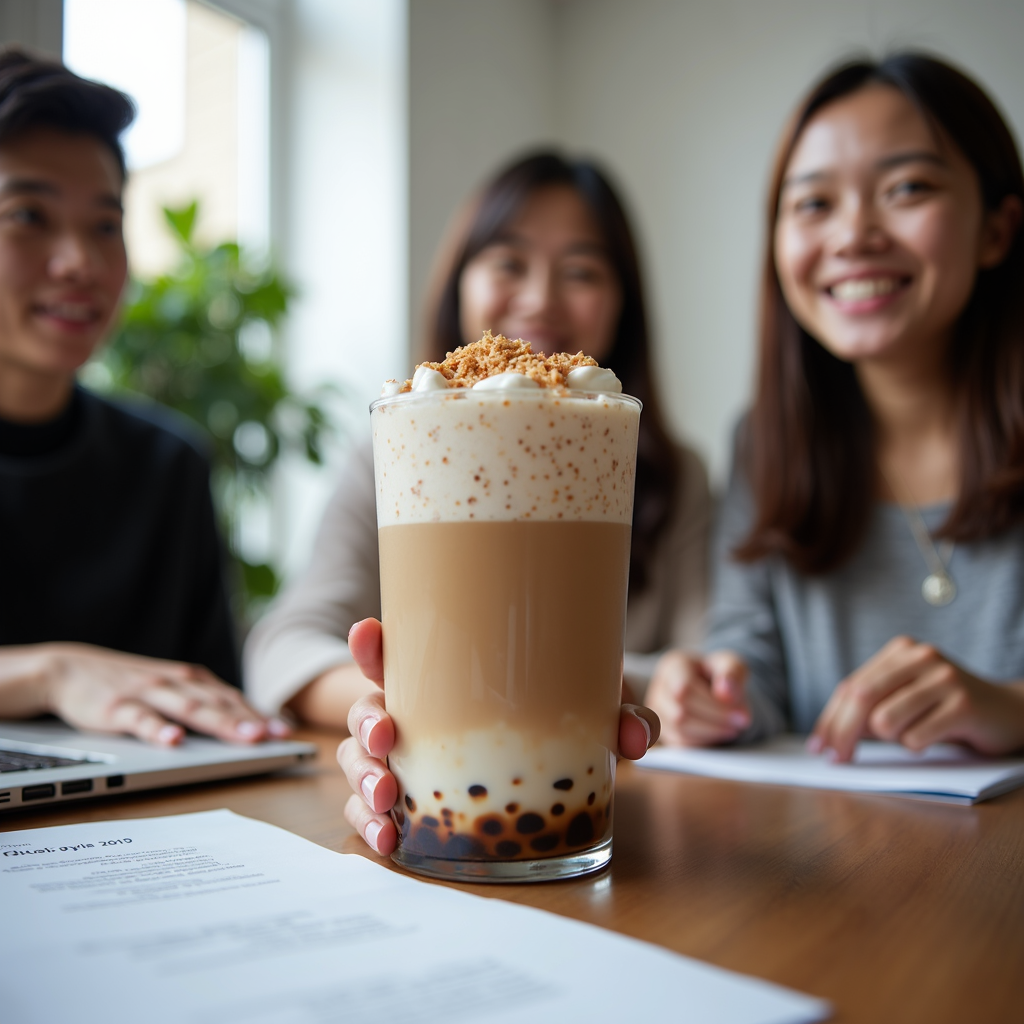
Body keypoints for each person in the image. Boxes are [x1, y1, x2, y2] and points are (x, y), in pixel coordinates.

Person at [245, 151, 712, 727]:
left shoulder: (672, 473)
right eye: (509, 262)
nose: (541, 297)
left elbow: (699, 664)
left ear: (623, 303)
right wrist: (410, 702)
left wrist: (624, 683)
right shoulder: (396, 447)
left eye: (582, 271)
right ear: (459, 284)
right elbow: (283, 649)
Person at [646, 52, 1024, 761]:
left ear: (998, 230)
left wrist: (1010, 706)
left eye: (907, 188)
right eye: (815, 203)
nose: (853, 236)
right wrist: (709, 694)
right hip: (840, 857)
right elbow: (750, 667)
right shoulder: (766, 441)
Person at [0, 49, 281, 746]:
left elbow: (211, 700)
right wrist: (47, 673)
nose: (81, 263)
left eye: (104, 224)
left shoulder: (167, 465)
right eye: (29, 215)